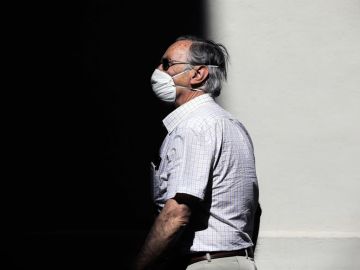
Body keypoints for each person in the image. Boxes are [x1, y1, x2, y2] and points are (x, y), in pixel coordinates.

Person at [133, 35, 261, 270]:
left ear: (198, 74)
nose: (157, 70)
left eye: (167, 64)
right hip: (235, 260)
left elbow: (177, 213)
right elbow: (254, 209)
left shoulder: (195, 126)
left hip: (206, 263)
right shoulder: (229, 123)